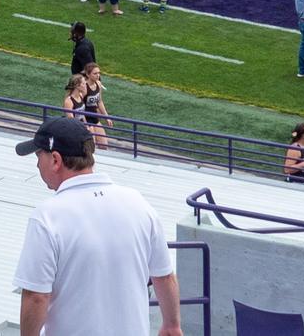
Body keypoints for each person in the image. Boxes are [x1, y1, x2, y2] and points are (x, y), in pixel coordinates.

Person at [12, 118, 183, 336]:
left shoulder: (47, 216)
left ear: (55, 160)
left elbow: (37, 296)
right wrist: (171, 325)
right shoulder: (137, 202)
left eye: (39, 156)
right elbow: (164, 276)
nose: (37, 164)